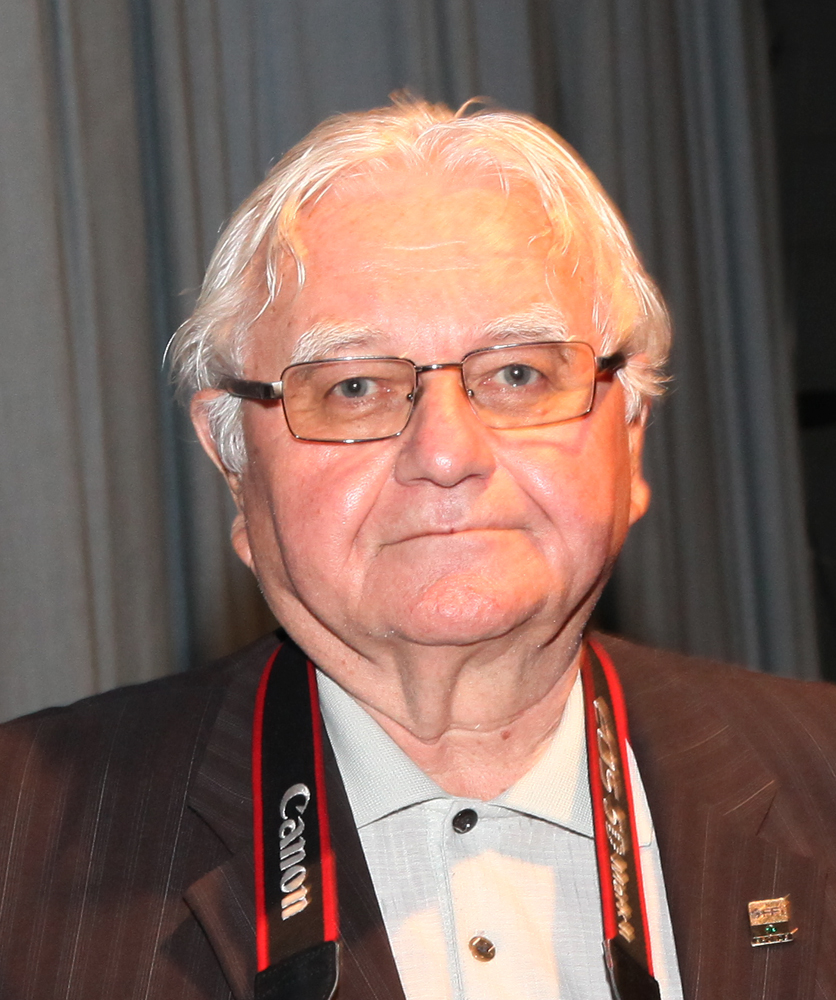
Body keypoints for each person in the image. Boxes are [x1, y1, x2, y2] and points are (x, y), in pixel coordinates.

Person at [1, 97, 835, 1000]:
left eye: (518, 373)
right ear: (234, 465)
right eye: (354, 387)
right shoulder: (19, 842)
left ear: (630, 439)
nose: (444, 454)